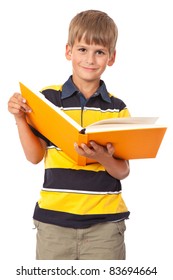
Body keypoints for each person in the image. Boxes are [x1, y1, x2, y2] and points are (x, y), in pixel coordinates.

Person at [8, 9, 131, 260]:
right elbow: (34, 157)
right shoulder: (48, 99)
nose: (90, 59)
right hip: (54, 224)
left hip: (105, 228)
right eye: (83, 49)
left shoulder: (118, 108)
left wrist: (102, 157)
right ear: (68, 51)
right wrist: (20, 118)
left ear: (111, 57)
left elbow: (123, 171)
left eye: (100, 52)